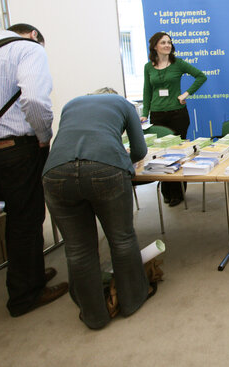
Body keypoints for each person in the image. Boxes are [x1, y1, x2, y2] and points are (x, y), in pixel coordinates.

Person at [0, 23, 68, 317]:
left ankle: (30, 276)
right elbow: (34, 99)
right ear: (34, 35)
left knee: (18, 215)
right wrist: (44, 135)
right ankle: (25, 295)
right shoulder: (27, 49)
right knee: (26, 217)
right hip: (15, 149)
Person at [42, 88, 153, 330]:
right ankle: (131, 301)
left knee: (78, 249)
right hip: (105, 170)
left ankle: (93, 316)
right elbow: (140, 151)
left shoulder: (71, 103)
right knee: (122, 239)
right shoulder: (124, 104)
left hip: (55, 174)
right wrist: (122, 160)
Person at [142, 32, 207, 207]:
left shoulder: (178, 64)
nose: (167, 45)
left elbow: (201, 76)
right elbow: (147, 92)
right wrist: (144, 113)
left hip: (177, 114)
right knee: (161, 154)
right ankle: (166, 191)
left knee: (177, 153)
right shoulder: (148, 67)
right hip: (157, 115)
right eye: (163, 42)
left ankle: (178, 192)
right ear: (155, 46)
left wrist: (186, 94)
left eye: (169, 42)